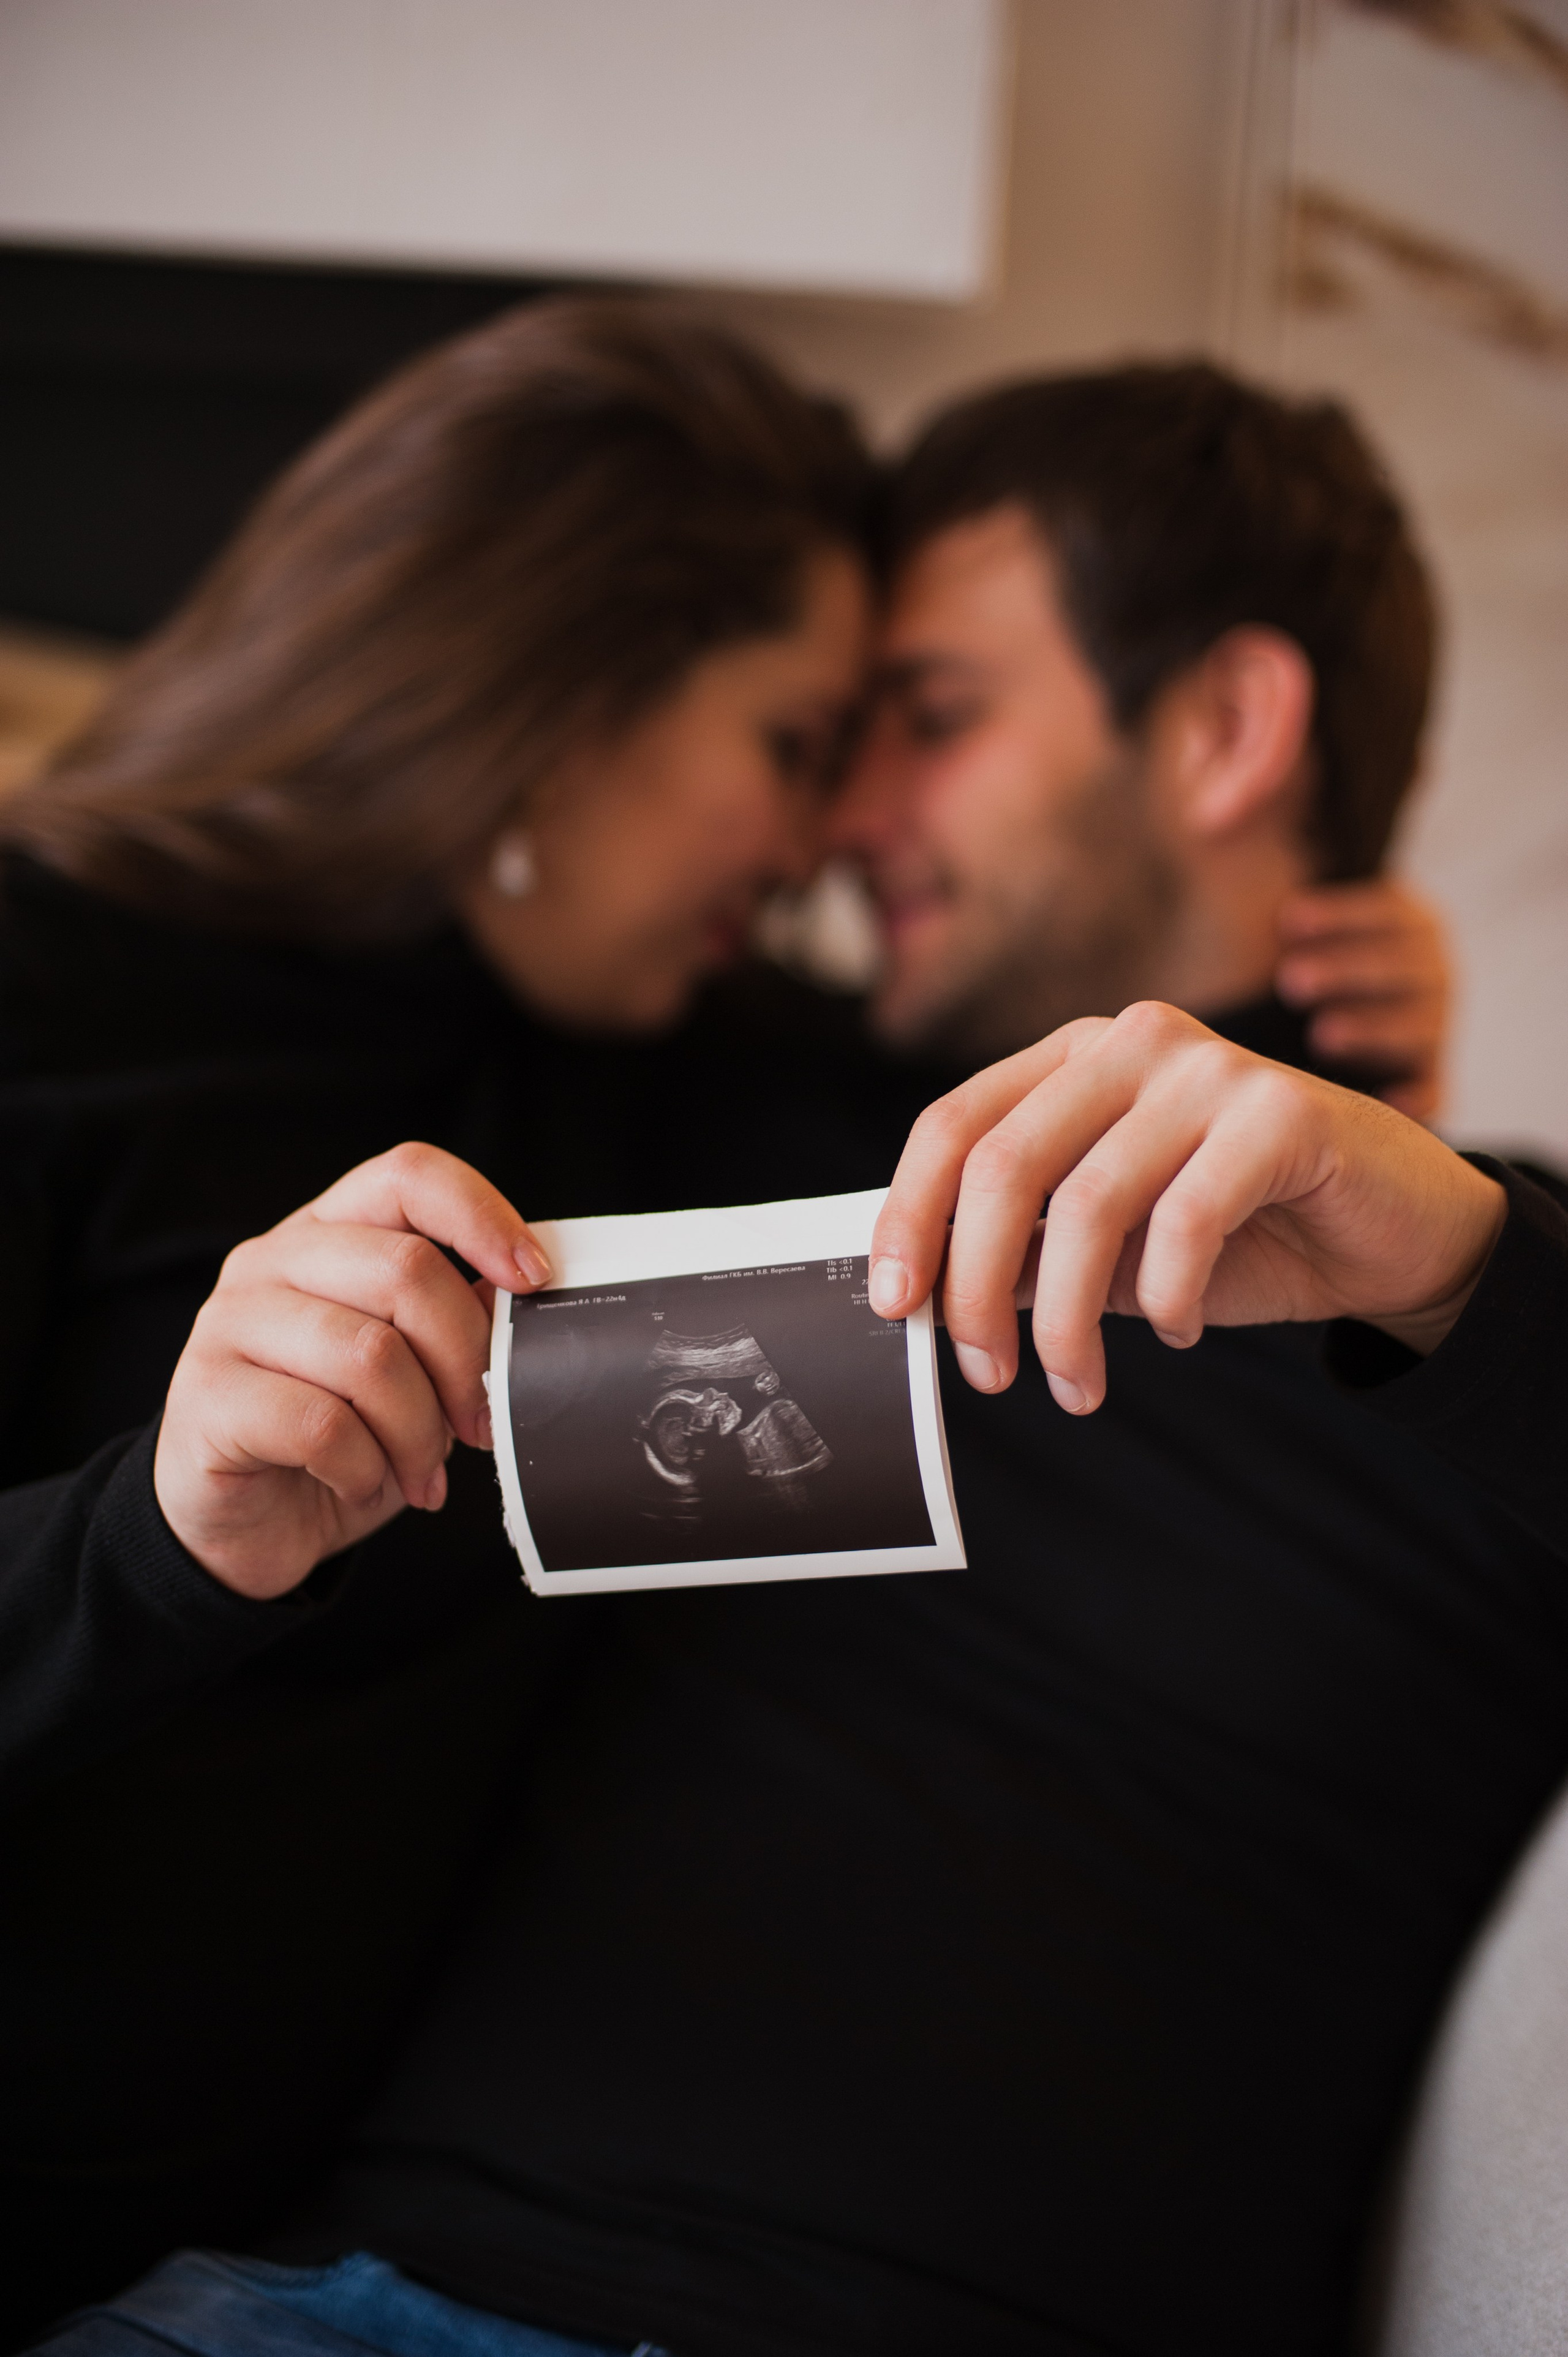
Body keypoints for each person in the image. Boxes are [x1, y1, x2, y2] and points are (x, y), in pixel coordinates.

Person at [0, 336, 1483, 2357]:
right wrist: (156, 1530)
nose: (832, 833)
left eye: (922, 721)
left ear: (1226, 725)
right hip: (286, 2296)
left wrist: (1459, 1214)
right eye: (809, 741)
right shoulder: (664, 1098)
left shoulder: (1440, 1278)